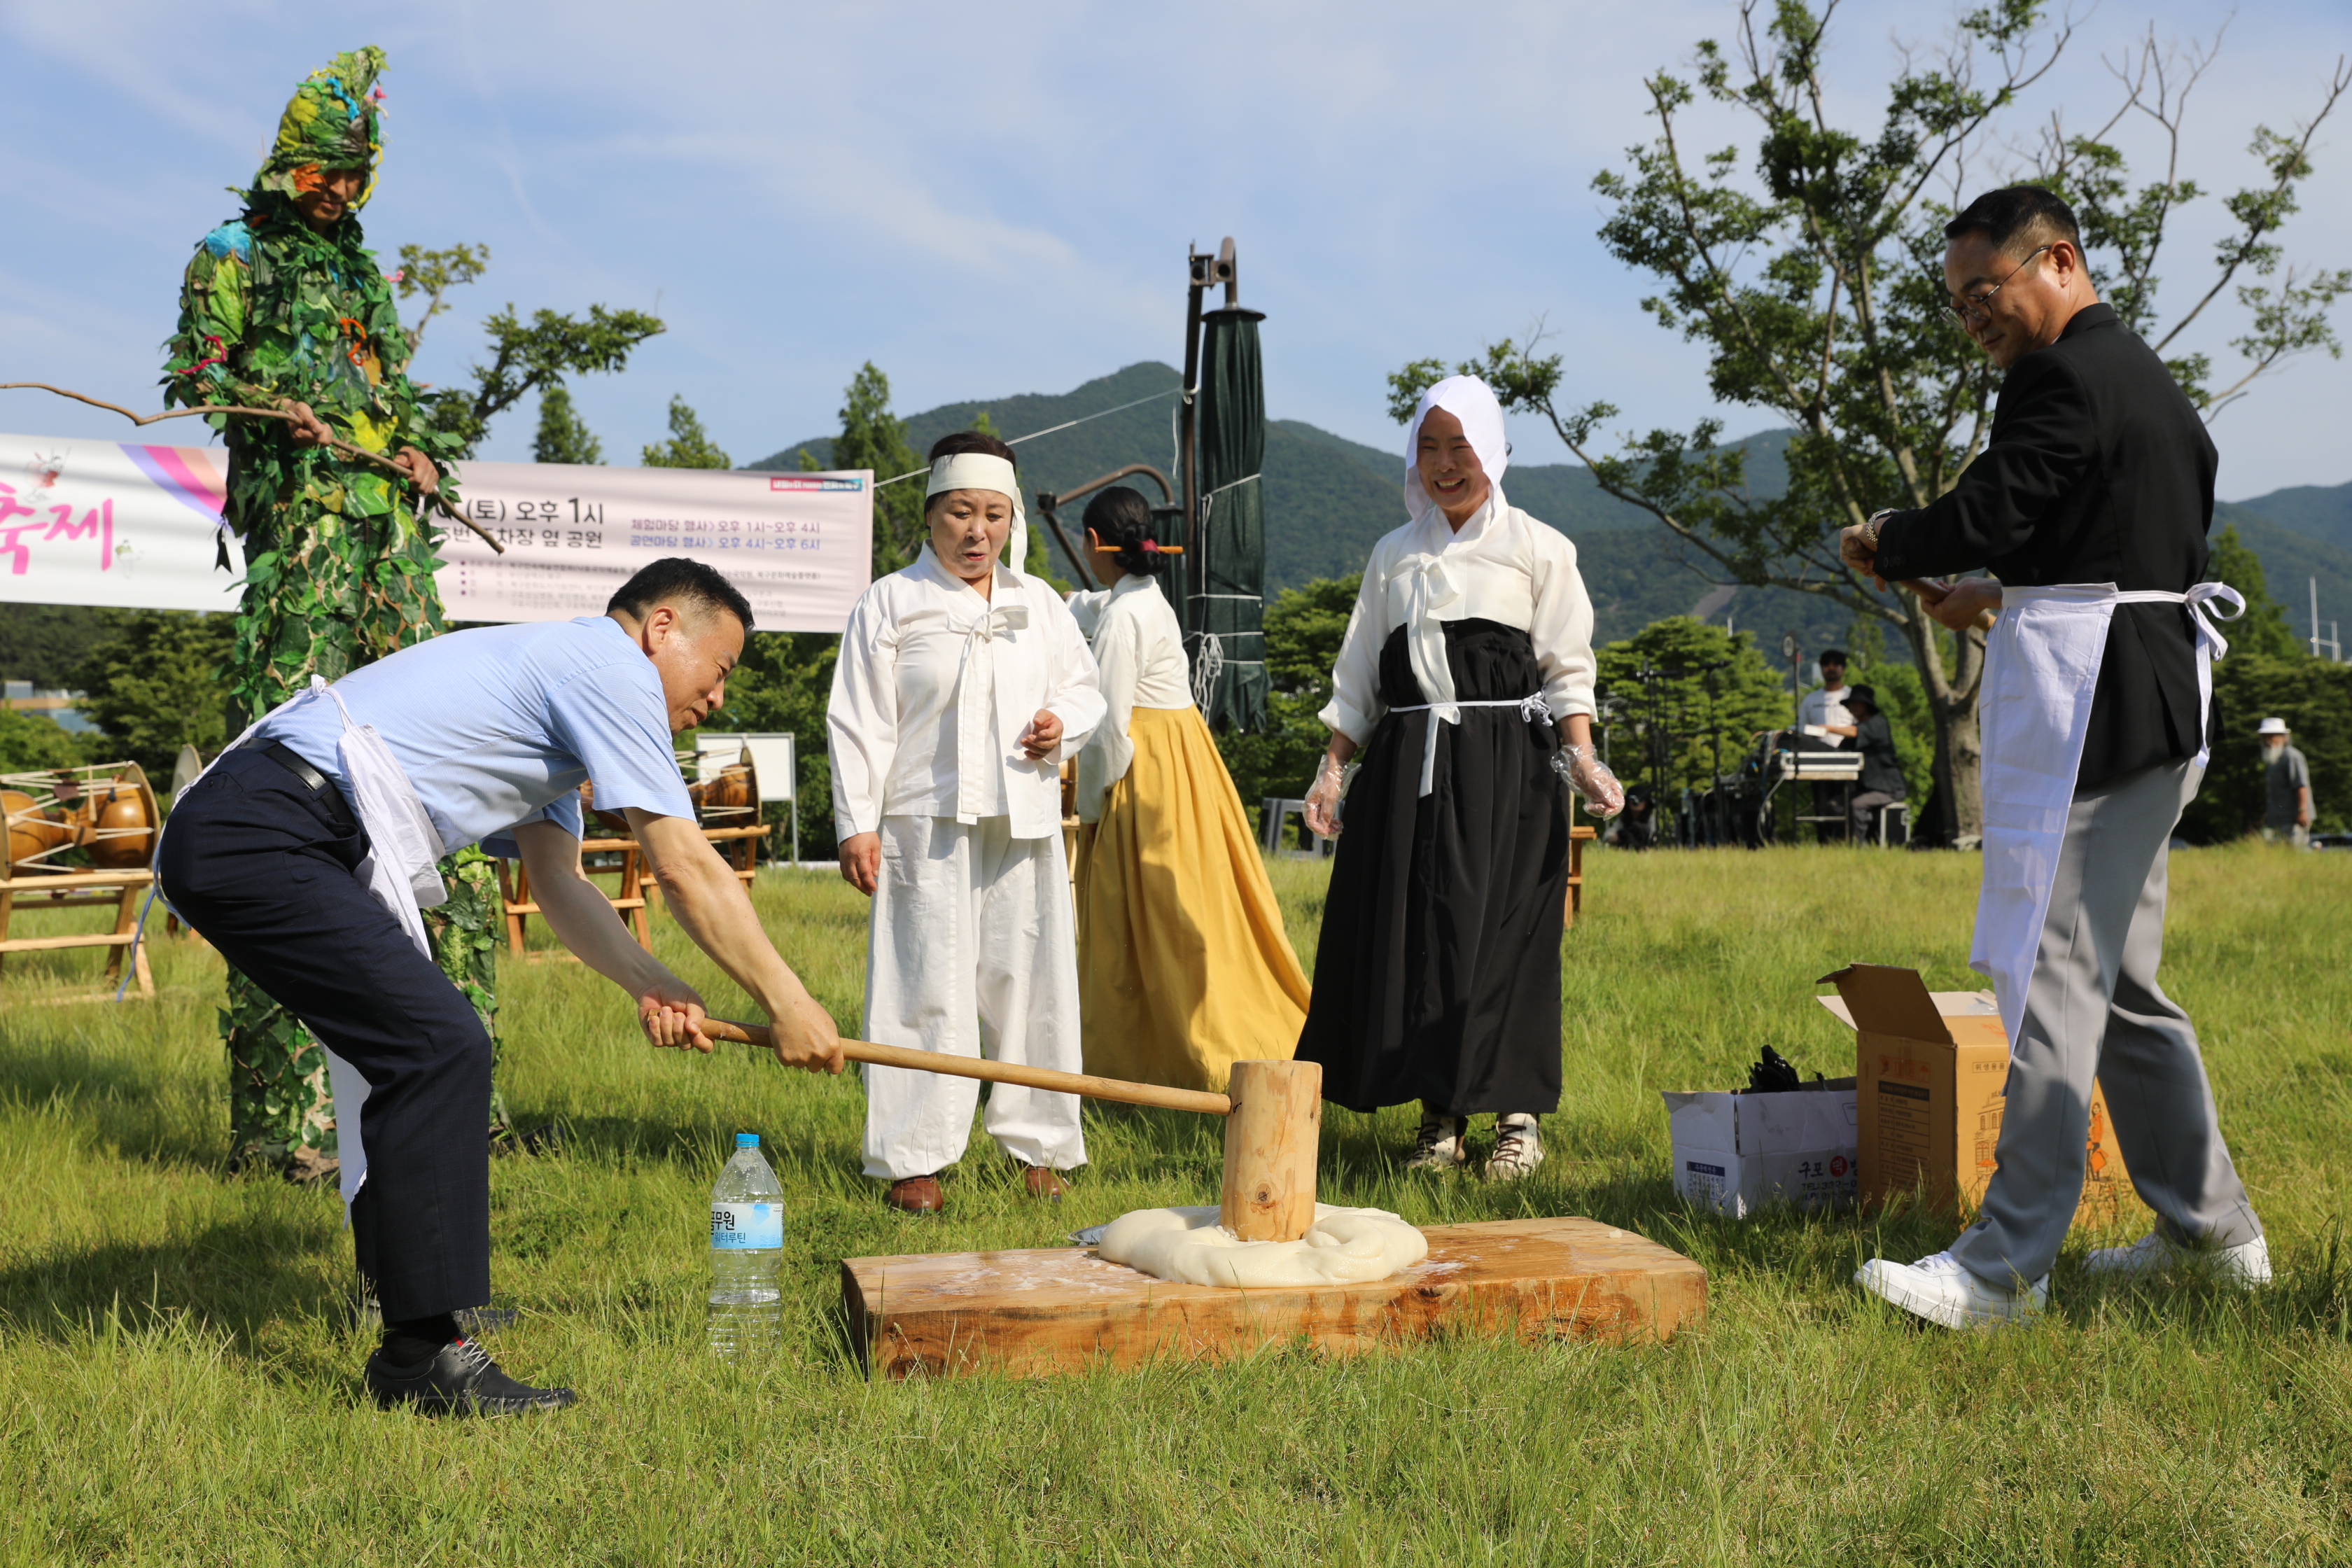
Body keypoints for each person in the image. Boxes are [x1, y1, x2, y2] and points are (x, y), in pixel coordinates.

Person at [159, 558, 846, 1414]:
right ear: (662, 628)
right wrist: (790, 1000)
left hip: (278, 830)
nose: (717, 698)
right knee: (437, 1046)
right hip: (262, 827)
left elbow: (560, 884)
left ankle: (402, 1299)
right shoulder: (606, 667)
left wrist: (655, 983)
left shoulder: (561, 704)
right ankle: (421, 1354)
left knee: (408, 1052)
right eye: (722, 668)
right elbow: (684, 863)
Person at [1842, 185, 2267, 1329]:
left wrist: (1893, 542)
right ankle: (2211, 1234)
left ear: (2059, 262)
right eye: (1958, 304)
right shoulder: (2138, 379)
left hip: (2110, 708)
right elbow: (2102, 532)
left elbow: (1995, 503)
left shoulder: (2061, 375)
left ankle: (2003, 1265)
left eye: (1986, 292)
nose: (1973, 318)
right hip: (2153, 690)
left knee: (2056, 976)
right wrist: (1993, 593)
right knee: (2122, 988)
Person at [161, 46, 485, 1178]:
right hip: (300, 541)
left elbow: (389, 393)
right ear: (288, 160)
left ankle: (460, 1091)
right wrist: (269, 404)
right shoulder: (232, 255)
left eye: (358, 175)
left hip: (388, 546)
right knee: (281, 819)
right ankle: (281, 1130)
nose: (340, 193)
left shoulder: (362, 276)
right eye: (325, 170)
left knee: (447, 804)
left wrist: (412, 454)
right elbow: (201, 378)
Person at [1296, 376, 1623, 1182]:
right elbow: (1358, 678)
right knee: (1419, 937)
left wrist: (1581, 757)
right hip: (1411, 765)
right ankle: (1437, 1115)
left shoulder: (1538, 547)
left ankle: (1518, 1117)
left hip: (1513, 764)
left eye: (1461, 446)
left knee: (1507, 932)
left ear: (1492, 450)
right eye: (1430, 447)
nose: (1447, 464)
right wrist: (1332, 770)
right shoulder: (1393, 554)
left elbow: (1565, 668)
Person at [829, 432, 1106, 1214]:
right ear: (931, 515)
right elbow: (858, 720)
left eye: (992, 514)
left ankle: (1040, 1145)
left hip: (1022, 815)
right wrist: (858, 821)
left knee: (1031, 978)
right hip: (923, 821)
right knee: (925, 981)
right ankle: (914, 1155)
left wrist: (1062, 723)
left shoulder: (1039, 605)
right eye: (959, 512)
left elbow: (1084, 689)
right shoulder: (890, 601)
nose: (975, 530)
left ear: (1010, 519)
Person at [1065, 486, 1311, 1091]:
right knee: (1199, 905)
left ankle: (1157, 1054)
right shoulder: (1148, 599)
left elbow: (1108, 729)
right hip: (1188, 760)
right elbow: (1099, 607)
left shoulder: (1124, 617)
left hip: (1145, 768)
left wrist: (1090, 804)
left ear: (1096, 543)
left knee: (1144, 915)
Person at [1843, 684, 1907, 843]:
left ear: (1868, 706)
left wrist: (1827, 729)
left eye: (1858, 702)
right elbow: (1838, 751)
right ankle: (1837, 842)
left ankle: (1859, 846)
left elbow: (1854, 733)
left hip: (1890, 789)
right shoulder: (1857, 727)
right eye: (1851, 703)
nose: (1853, 706)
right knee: (1836, 804)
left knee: (1858, 804)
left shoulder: (1878, 723)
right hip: (1870, 789)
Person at [2260, 717, 2313, 847]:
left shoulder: (2292, 757)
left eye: (2271, 736)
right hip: (2279, 819)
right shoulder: (2274, 758)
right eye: (2264, 736)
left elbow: (2301, 786)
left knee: (2295, 854)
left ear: (2283, 737)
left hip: (2294, 818)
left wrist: (2302, 811)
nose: (2267, 740)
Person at [1797, 650, 1856, 747]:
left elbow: (1862, 730)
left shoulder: (1853, 696)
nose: (1831, 668)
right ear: (1821, 669)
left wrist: (1830, 729)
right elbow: (1800, 729)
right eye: (1826, 664)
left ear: (1844, 669)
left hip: (1849, 755)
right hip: (1817, 755)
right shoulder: (1810, 699)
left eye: (1836, 664)